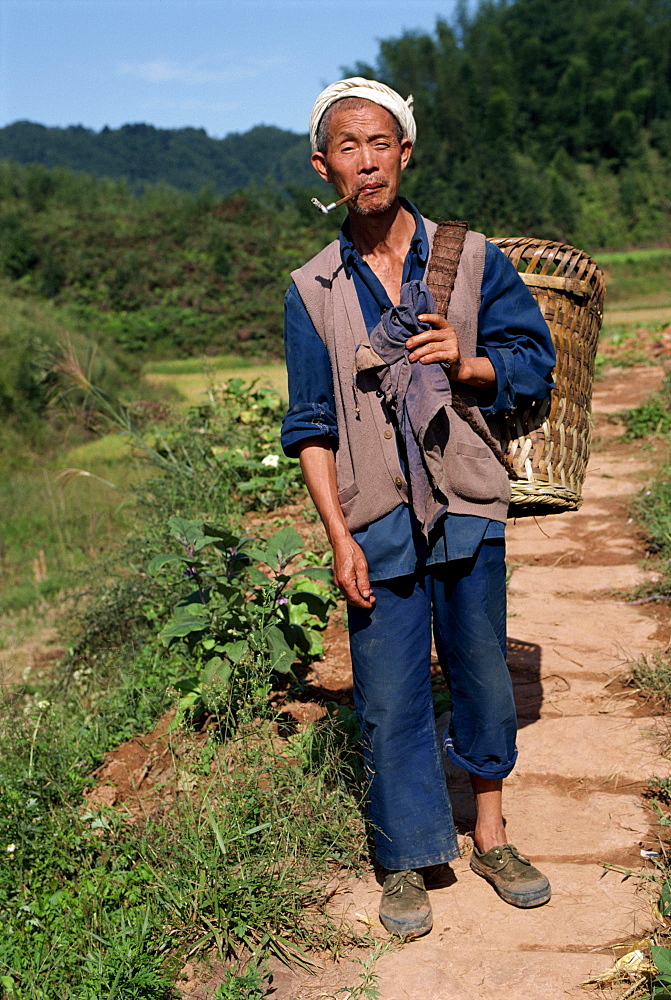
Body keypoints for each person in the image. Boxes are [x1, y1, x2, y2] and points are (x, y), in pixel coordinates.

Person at [281, 77, 556, 939]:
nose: (367, 162)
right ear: (324, 168)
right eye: (347, 149)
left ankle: (492, 836)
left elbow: (531, 361)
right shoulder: (312, 288)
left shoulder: (469, 258)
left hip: (466, 499)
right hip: (375, 516)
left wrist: (468, 362)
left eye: (381, 143)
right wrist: (338, 536)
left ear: (406, 152)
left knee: (478, 670)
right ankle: (403, 856)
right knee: (390, 690)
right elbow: (312, 424)